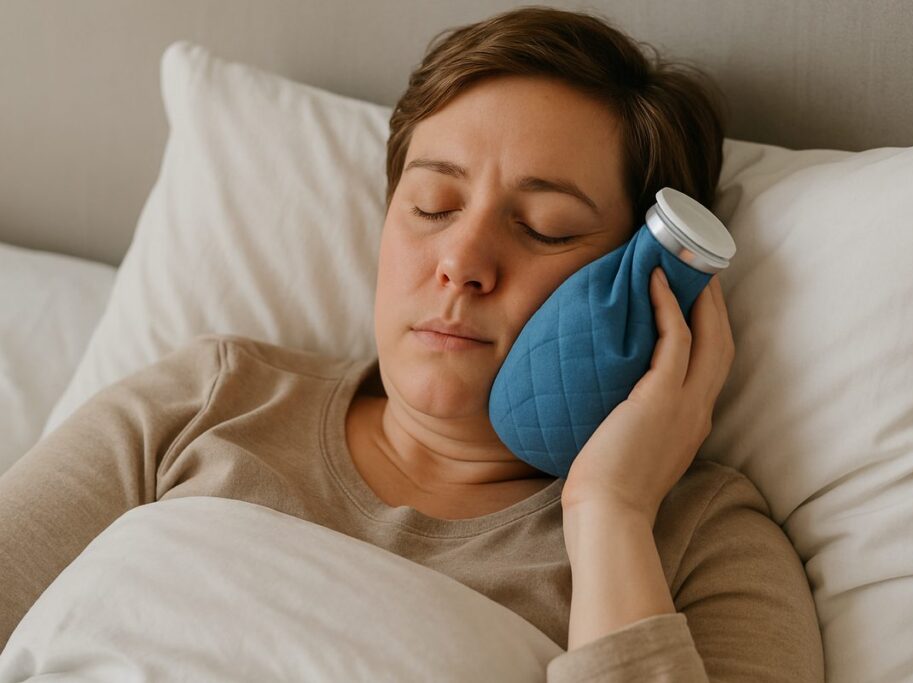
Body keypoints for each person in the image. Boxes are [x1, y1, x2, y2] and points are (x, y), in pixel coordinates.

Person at [0, 6, 824, 680]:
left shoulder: (700, 544)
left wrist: (610, 512)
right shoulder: (207, 400)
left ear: (649, 286)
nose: (462, 261)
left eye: (545, 227)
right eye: (432, 205)